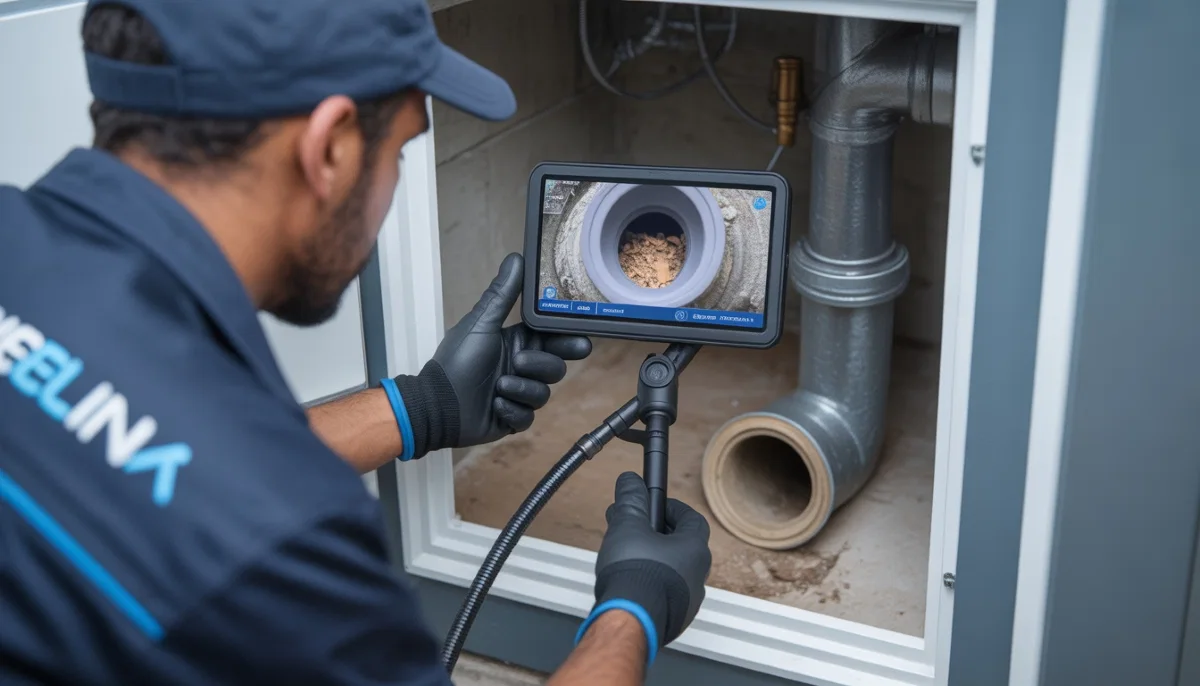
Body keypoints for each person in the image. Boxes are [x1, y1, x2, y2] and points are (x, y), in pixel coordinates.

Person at [0, 0, 713, 684]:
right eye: (400, 149)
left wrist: (417, 408)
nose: (392, 185)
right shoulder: (288, 554)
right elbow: (203, 495)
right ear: (332, 147)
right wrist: (634, 610)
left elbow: (119, 454)